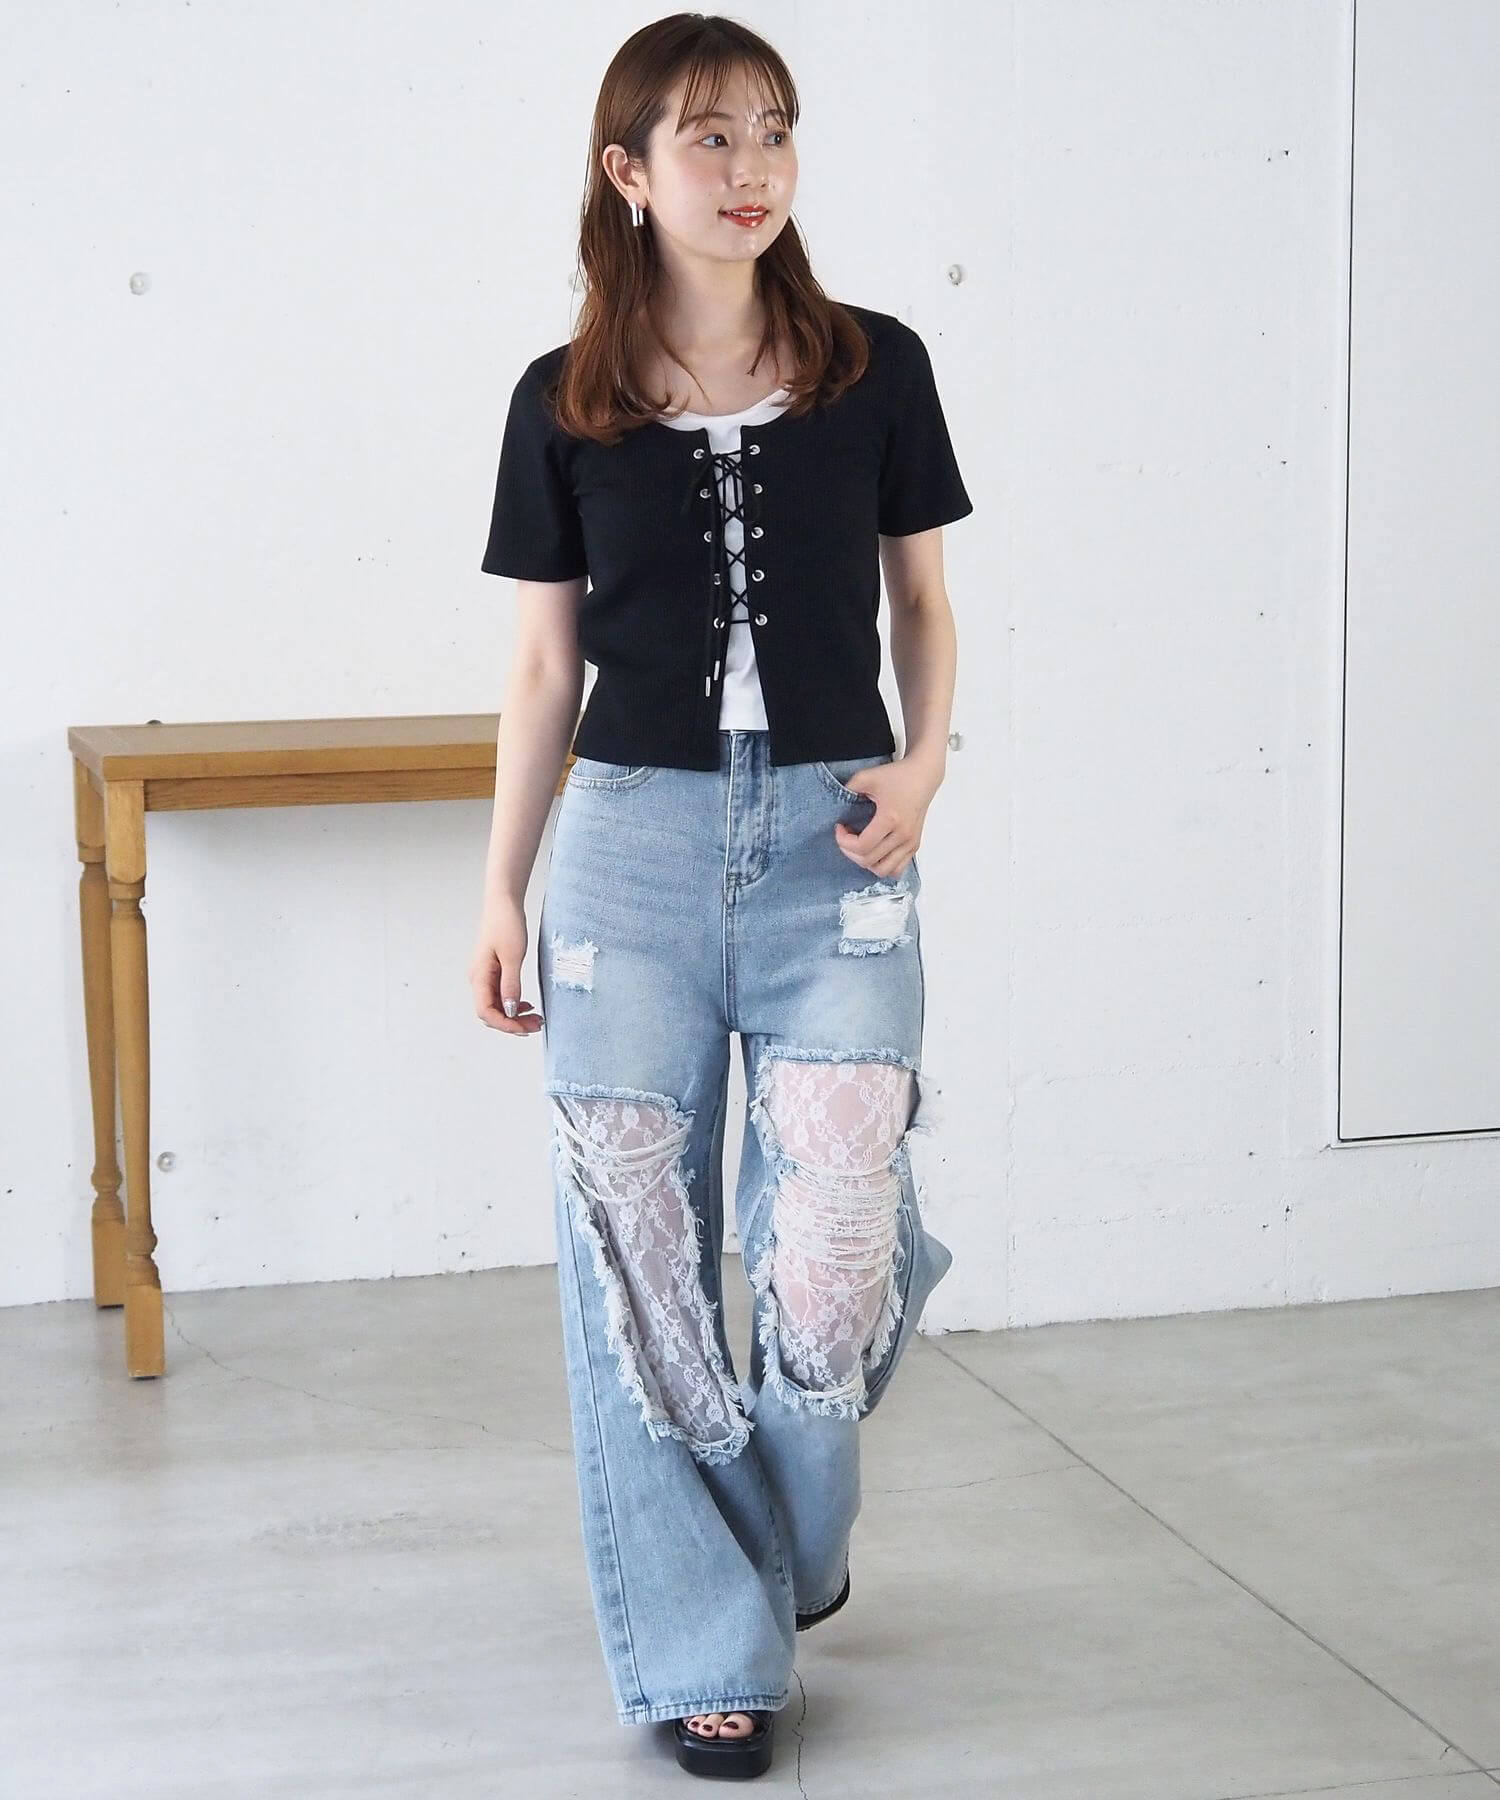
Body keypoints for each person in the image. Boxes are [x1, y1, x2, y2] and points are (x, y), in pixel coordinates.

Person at [470, 13, 973, 1780]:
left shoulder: (876, 366)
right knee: (643, 1270)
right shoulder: (562, 397)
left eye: (773, 131)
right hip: (629, 857)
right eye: (709, 137)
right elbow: (543, 672)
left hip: (838, 849)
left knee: (838, 1236)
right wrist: (503, 888)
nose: (751, 168)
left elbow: (923, 604)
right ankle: (710, 1650)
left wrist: (925, 763)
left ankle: (790, 1543)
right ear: (630, 172)